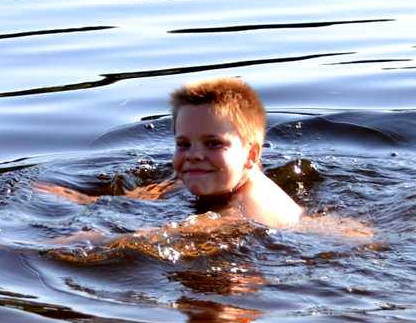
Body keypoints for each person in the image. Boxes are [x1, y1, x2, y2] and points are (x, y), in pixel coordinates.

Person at [35, 76, 371, 238]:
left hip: (328, 240)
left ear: (251, 155)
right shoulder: (220, 180)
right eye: (184, 144)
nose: (194, 156)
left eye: (213, 144)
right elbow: (158, 193)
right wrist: (83, 200)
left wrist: (98, 240)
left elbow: (178, 237)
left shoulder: (241, 208)